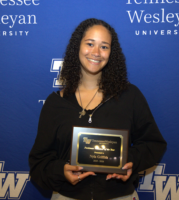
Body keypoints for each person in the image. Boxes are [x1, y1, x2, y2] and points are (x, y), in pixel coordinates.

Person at [29, 18, 167, 200]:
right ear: (77, 46)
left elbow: (154, 145)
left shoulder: (130, 96)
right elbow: (39, 162)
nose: (96, 52)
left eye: (104, 46)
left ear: (112, 53)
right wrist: (60, 171)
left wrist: (128, 160)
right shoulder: (56, 103)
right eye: (90, 44)